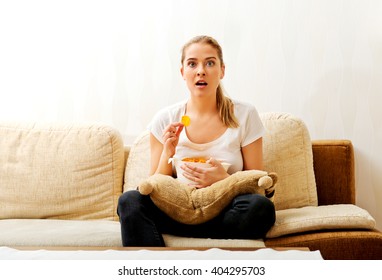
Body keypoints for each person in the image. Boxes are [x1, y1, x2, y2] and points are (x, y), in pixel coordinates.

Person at [117, 35, 275, 246]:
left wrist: (222, 179)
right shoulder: (165, 118)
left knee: (260, 207)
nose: (201, 70)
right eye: (192, 64)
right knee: (129, 201)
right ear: (183, 72)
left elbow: (258, 184)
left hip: (225, 209)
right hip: (177, 209)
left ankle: (189, 236)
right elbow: (153, 186)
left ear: (222, 70)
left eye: (210, 63)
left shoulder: (245, 114)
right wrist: (168, 152)